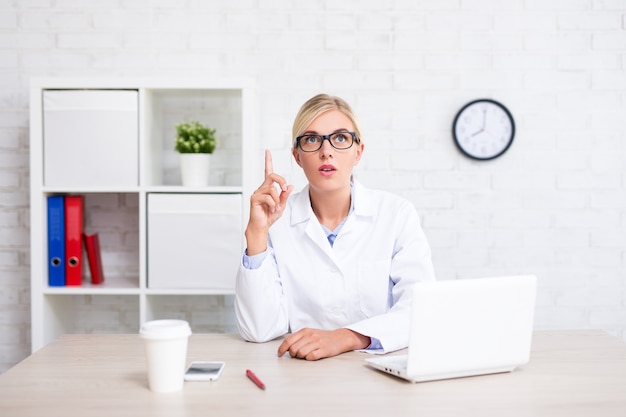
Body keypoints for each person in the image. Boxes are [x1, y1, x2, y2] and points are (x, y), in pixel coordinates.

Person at [234, 93, 436, 360]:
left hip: (378, 371)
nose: (326, 151)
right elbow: (258, 330)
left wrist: (344, 338)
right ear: (297, 156)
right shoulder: (275, 222)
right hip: (300, 373)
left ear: (358, 151)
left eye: (340, 138)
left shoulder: (396, 215)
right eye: (312, 139)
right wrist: (256, 234)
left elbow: (421, 311)